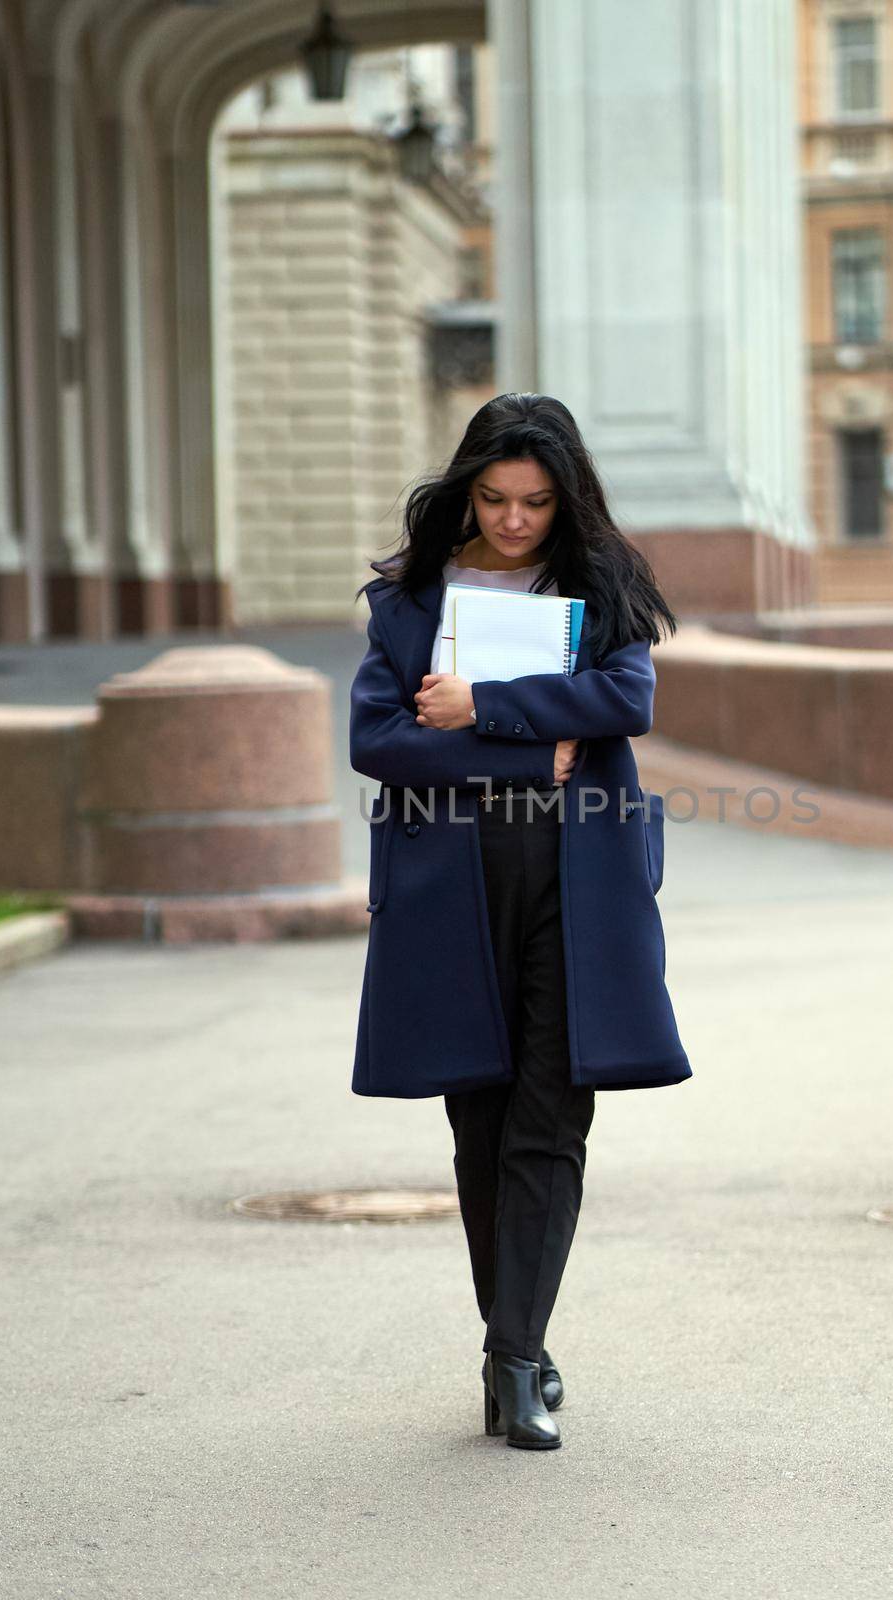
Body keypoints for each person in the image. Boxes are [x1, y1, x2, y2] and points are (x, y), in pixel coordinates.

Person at [348, 392, 692, 1451]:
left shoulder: (600, 583)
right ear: (465, 491)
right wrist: (517, 747)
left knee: (553, 1109)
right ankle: (516, 1344)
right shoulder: (411, 601)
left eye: (534, 502)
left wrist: (484, 709)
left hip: (574, 873)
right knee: (480, 1119)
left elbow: (624, 701)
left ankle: (514, 1355)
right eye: (493, 499)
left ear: (565, 497)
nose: (511, 521)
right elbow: (378, 739)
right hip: (453, 879)